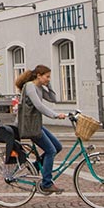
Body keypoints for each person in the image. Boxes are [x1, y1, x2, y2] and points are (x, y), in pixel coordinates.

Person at [15, 65, 67, 195]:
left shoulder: (39, 87)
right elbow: (38, 105)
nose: (49, 79)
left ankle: (35, 165)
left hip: (35, 124)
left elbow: (54, 99)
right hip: (28, 125)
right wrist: (55, 115)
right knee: (51, 151)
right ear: (39, 75)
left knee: (58, 147)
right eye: (47, 76)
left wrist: (48, 86)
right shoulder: (30, 86)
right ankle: (47, 183)